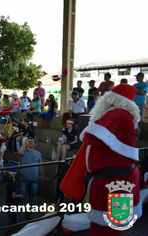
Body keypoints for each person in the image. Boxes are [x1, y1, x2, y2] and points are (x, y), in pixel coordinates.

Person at [60, 84, 142, 235]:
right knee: (110, 228)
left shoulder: (117, 115)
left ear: (112, 99)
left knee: (107, 230)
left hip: (114, 185)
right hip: (116, 182)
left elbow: (89, 135)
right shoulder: (122, 115)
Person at [18, 137, 44, 219]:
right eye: (30, 142)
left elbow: (41, 165)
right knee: (21, 197)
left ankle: (28, 213)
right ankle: (16, 211)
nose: (31, 143)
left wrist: (42, 174)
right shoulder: (24, 151)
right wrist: (24, 144)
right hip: (24, 179)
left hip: (34, 179)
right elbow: (19, 152)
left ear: (35, 144)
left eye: (32, 142)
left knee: (32, 198)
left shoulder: (38, 153)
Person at [3, 171, 22, 236]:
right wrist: (20, 196)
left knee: (11, 219)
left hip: (8, 203)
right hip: (13, 204)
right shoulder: (15, 183)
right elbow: (13, 195)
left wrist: (19, 190)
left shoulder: (7, 184)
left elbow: (12, 191)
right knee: (15, 223)